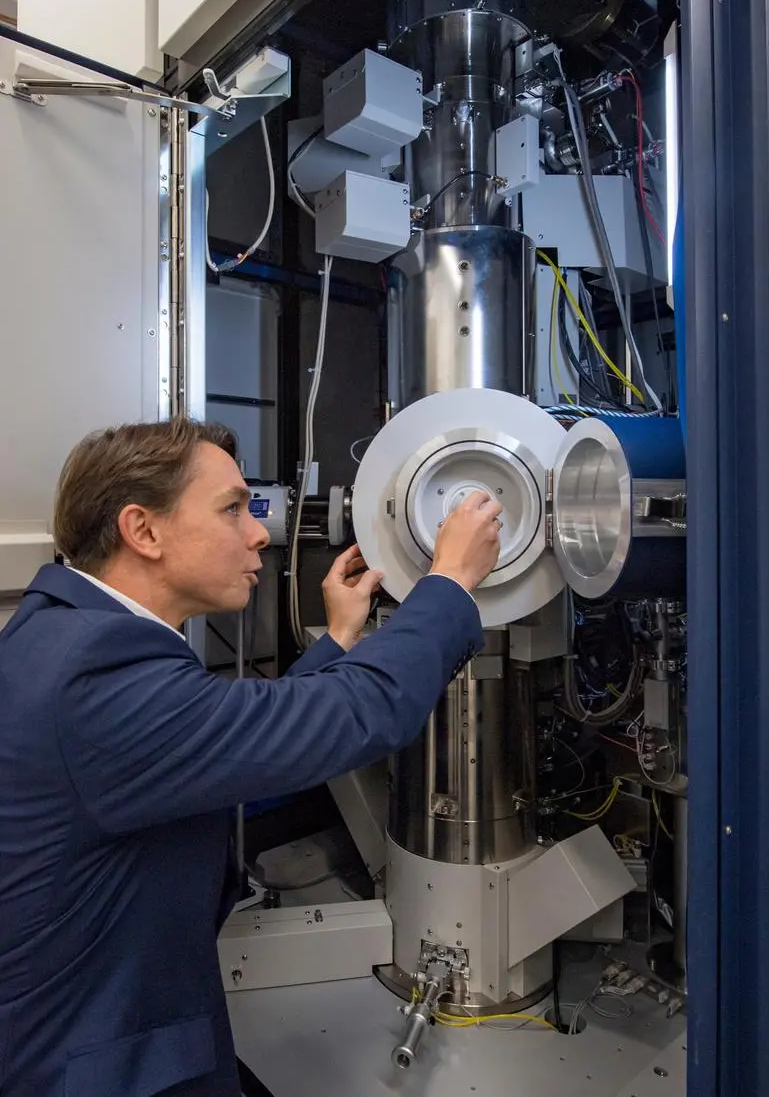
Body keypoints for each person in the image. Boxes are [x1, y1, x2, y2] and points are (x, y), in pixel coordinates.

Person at [0, 418, 502, 1097]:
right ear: (143, 530)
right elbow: (362, 712)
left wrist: (339, 641)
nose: (260, 532)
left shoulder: (63, 632)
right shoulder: (95, 677)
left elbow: (221, 745)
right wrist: (450, 584)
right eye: (232, 509)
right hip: (100, 1062)